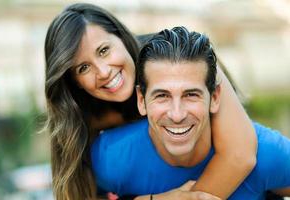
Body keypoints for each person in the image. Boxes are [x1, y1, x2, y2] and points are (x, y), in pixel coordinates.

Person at [44, 3, 257, 200]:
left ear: (121, 36)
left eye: (104, 50)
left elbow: (240, 156)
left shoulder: (179, 57)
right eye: (83, 68)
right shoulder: (82, 116)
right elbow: (74, 194)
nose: (104, 72)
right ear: (75, 82)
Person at [91, 26, 290, 199]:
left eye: (191, 95)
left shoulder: (265, 153)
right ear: (141, 100)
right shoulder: (111, 157)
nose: (177, 115)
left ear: (214, 97)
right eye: (162, 96)